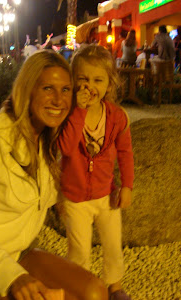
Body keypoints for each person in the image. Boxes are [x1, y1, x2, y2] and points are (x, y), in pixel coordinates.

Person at [0, 50, 109, 300]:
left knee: (94, 292)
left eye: (65, 90)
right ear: (27, 89)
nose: (58, 100)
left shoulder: (49, 140)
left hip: (20, 250)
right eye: (47, 89)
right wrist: (13, 276)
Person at [57, 44, 134, 300]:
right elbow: (66, 148)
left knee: (113, 244)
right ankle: (80, 288)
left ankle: (115, 286)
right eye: (83, 79)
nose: (90, 86)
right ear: (73, 82)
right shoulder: (69, 115)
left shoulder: (117, 117)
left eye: (98, 80)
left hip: (106, 195)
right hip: (75, 198)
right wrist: (78, 110)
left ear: (109, 84)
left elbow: (125, 152)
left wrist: (127, 186)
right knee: (79, 251)